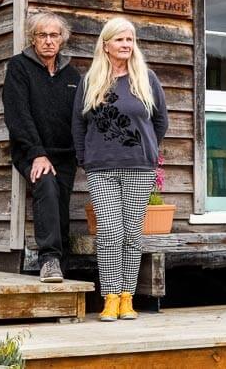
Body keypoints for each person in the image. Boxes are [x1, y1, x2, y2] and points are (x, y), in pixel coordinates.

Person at [72, 17, 168, 321]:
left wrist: (148, 148)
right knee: (110, 232)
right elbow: (78, 123)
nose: (126, 45)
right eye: (120, 40)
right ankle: (110, 297)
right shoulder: (91, 80)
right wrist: (84, 158)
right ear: (106, 44)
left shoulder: (147, 78)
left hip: (139, 167)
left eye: (130, 40)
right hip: (101, 168)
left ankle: (127, 298)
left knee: (131, 234)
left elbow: (160, 121)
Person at [2, 11, 81, 283]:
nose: (48, 41)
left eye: (54, 35)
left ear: (62, 39)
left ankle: (61, 264)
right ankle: (48, 260)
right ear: (33, 39)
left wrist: (82, 152)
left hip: (65, 154)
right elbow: (17, 114)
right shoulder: (18, 67)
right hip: (31, 151)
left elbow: (80, 117)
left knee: (60, 202)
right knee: (45, 185)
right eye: (42, 35)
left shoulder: (72, 74)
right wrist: (37, 153)